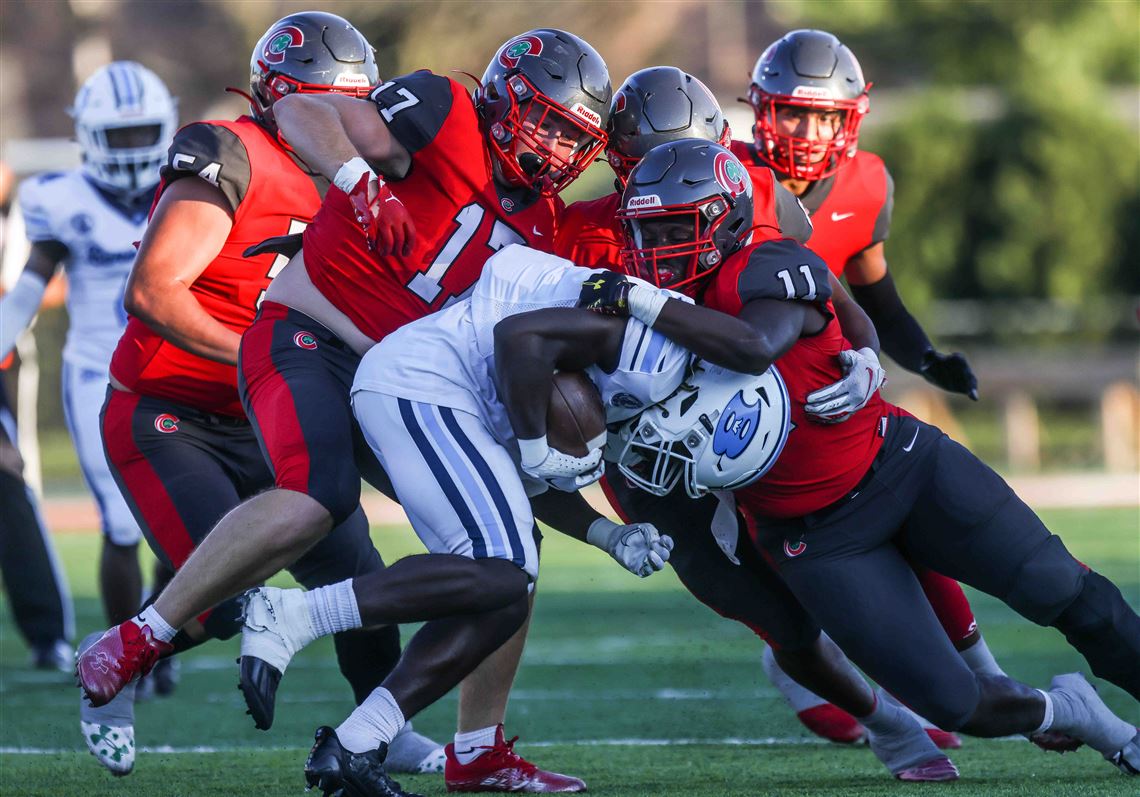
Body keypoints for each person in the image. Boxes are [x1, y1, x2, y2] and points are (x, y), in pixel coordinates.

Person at [78, 28, 612, 793]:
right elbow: (304, 115)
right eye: (547, 121)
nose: (555, 147)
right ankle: (138, 636)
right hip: (301, 342)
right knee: (318, 496)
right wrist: (362, 181)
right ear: (505, 97)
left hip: (385, 373)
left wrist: (599, 518)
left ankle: (473, 746)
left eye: (573, 136)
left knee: (502, 557)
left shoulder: (546, 225)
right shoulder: (441, 109)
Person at [590, 137, 1140, 775]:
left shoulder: (761, 264)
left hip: (902, 466)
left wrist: (869, 352)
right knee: (956, 704)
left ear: (727, 219)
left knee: (1068, 594)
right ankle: (1075, 712)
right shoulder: (627, 316)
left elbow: (758, 343)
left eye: (672, 227)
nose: (655, 247)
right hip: (812, 536)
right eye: (644, 230)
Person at [555, 65, 978, 749]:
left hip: (756, 412)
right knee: (765, 608)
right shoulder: (575, 236)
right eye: (654, 164)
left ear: (725, 149)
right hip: (647, 450)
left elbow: (821, 285)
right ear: (618, 163)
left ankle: (968, 674)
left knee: (873, 510)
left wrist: (867, 353)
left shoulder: (757, 189)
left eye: (698, 161)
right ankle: (886, 720)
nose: (679, 178)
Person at [76, 15, 441, 777]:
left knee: (359, 585)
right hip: (167, 415)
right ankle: (108, 670)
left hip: (270, 417)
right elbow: (152, 291)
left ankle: (381, 724)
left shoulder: (355, 184)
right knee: (217, 604)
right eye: (344, 103)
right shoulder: (231, 152)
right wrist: (257, 359)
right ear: (292, 98)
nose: (357, 121)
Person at [1, 63, 176, 676]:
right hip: (96, 375)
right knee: (121, 521)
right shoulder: (58, 198)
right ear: (90, 137)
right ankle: (132, 657)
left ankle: (161, 629)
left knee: (183, 516)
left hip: (180, 367)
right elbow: (25, 292)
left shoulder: (191, 185)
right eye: (118, 135)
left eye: (142, 133)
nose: (131, 148)